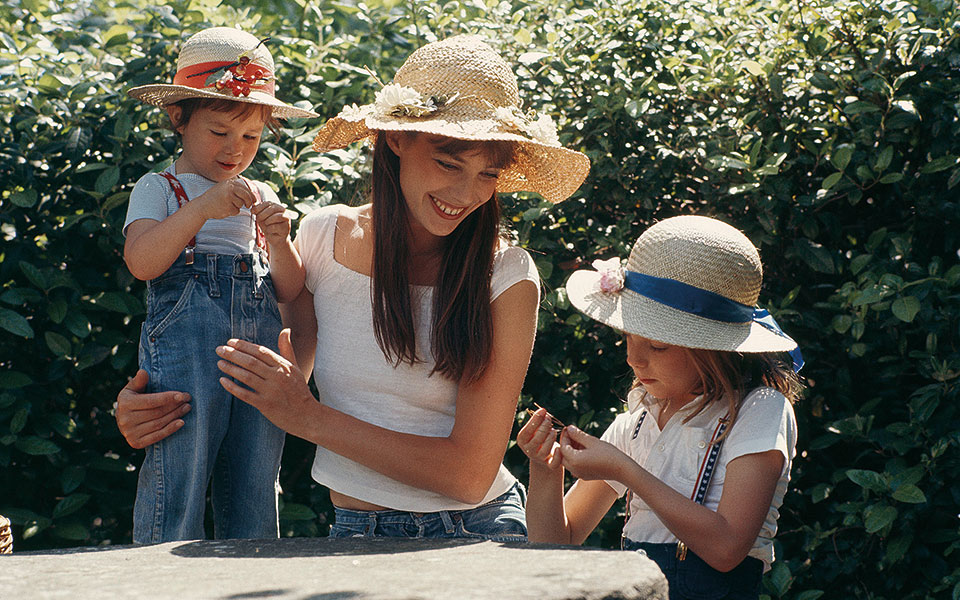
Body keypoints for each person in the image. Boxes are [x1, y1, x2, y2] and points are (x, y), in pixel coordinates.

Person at [120, 34, 590, 540]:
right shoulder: (322, 235)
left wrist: (311, 419)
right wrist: (154, 406)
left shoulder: (506, 276)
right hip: (353, 531)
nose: (466, 194)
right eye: (449, 163)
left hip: (476, 529)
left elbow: (469, 476)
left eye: (487, 174)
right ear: (395, 138)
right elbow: (271, 373)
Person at [517, 215, 803, 599]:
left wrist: (625, 470)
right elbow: (556, 545)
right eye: (627, 339)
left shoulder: (759, 411)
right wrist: (546, 469)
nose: (635, 359)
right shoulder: (635, 425)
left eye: (658, 346)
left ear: (712, 348)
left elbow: (727, 548)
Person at [122, 26, 318, 542]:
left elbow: (288, 289)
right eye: (219, 132)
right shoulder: (158, 187)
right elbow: (143, 261)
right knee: (181, 456)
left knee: (255, 466)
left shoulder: (260, 192)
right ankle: (160, 571)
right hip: (188, 340)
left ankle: (249, 571)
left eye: (251, 137)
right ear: (178, 118)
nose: (236, 149)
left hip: (255, 340)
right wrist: (203, 208)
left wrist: (279, 240)